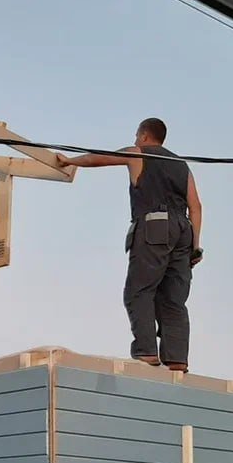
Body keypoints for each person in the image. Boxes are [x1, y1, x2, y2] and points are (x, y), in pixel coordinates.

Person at [56, 118, 204, 372]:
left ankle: (147, 352)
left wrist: (69, 161)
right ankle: (177, 358)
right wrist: (195, 247)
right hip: (184, 231)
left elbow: (98, 158)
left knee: (139, 290)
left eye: (137, 135)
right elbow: (196, 206)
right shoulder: (181, 165)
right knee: (173, 299)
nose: (136, 140)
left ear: (144, 135)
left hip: (154, 225)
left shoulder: (138, 153)